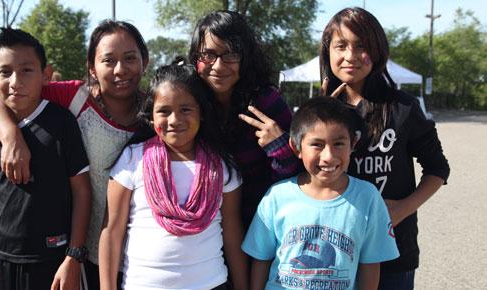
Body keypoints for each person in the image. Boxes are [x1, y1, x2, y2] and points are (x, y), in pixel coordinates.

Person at [0, 20, 148, 289]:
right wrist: (10, 135)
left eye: (130, 58)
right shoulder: (74, 97)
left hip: (143, 257)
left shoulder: (159, 110)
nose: (120, 69)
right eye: (108, 60)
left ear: (145, 61)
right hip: (84, 254)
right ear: (91, 67)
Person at [319, 7, 450, 290]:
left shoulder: (403, 107)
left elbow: (438, 168)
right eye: (340, 46)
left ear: (378, 51)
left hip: (393, 253)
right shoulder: (317, 113)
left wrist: (402, 209)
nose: (350, 56)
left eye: (362, 46)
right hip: (332, 253)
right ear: (327, 50)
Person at [99, 61, 248, 290]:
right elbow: (111, 231)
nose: (175, 120)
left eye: (186, 109)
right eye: (164, 111)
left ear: (202, 113)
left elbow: (232, 233)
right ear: (151, 116)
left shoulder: (221, 168)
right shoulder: (132, 160)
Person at [242, 97, 399, 290]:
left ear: (353, 143)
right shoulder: (276, 196)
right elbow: (261, 259)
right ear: (296, 147)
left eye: (339, 144)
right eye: (317, 144)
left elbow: (371, 263)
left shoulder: (368, 197)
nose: (328, 156)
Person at [0, 27, 92, 290]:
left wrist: (74, 256)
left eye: (27, 70)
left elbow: (82, 191)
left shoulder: (62, 123)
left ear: (46, 75)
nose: (16, 81)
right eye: (5, 72)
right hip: (2, 257)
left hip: (52, 257)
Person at [189, 11, 300, 229]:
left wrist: (280, 149)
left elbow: (296, 181)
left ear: (246, 57)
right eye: (208, 55)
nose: (219, 66)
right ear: (195, 58)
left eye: (231, 54)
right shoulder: (189, 100)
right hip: (202, 230)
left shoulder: (266, 102)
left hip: (260, 228)